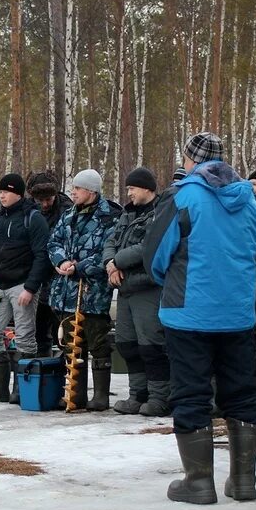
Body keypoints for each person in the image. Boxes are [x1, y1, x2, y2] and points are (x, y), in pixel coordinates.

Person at [146, 132, 256, 504]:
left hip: (189, 312)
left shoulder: (183, 196)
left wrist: (173, 282)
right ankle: (243, 481)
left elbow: (156, 255)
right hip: (237, 312)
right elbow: (255, 246)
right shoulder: (249, 200)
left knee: (192, 393)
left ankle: (198, 482)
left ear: (190, 160)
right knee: (243, 393)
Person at [47, 169, 120, 410]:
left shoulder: (110, 217)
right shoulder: (68, 215)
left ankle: (100, 396)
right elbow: (54, 242)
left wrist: (79, 267)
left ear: (90, 190)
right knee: (71, 344)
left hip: (93, 292)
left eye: (77, 188)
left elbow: (108, 253)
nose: (73, 192)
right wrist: (61, 262)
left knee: (97, 343)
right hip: (66, 292)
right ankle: (74, 394)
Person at [0, 173, 50, 403]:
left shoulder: (33, 218)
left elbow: (41, 255)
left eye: (6, 191)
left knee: (25, 337)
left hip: (22, 285)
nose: (2, 195)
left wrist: (31, 287)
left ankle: (22, 388)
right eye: (0, 192)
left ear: (18, 193)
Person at [104, 167, 171, 416]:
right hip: (124, 288)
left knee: (151, 345)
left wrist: (118, 261)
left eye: (132, 188)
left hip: (148, 287)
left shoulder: (160, 213)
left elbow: (148, 246)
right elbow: (110, 241)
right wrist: (110, 264)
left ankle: (159, 397)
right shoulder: (126, 214)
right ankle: (137, 395)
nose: (129, 193)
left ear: (146, 188)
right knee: (127, 343)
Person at [27, 170, 72, 355]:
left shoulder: (68, 211)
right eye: (41, 200)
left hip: (59, 277)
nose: (45, 204)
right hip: (36, 275)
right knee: (38, 331)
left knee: (61, 331)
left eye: (49, 199)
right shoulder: (28, 211)